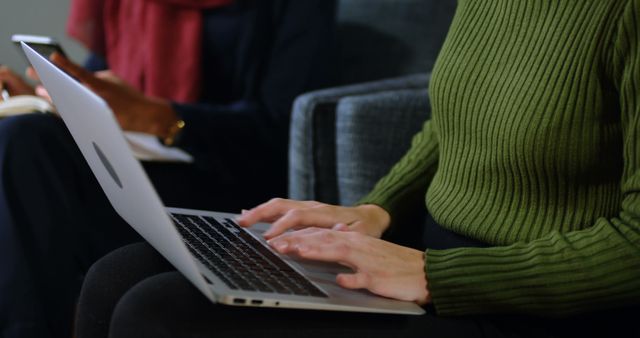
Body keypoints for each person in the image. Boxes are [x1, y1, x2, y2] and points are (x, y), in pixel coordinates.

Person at [74, 0, 640, 337]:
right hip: (430, 257)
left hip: (523, 300)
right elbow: (451, 118)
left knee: (159, 315)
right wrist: (375, 209)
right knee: (117, 275)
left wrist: (435, 277)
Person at [0, 1, 336, 338]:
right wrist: (43, 100)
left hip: (226, 185)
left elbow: (283, 130)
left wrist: (162, 117)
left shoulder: (297, 8)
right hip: (133, 163)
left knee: (26, 144)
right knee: (25, 135)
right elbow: (101, 89)